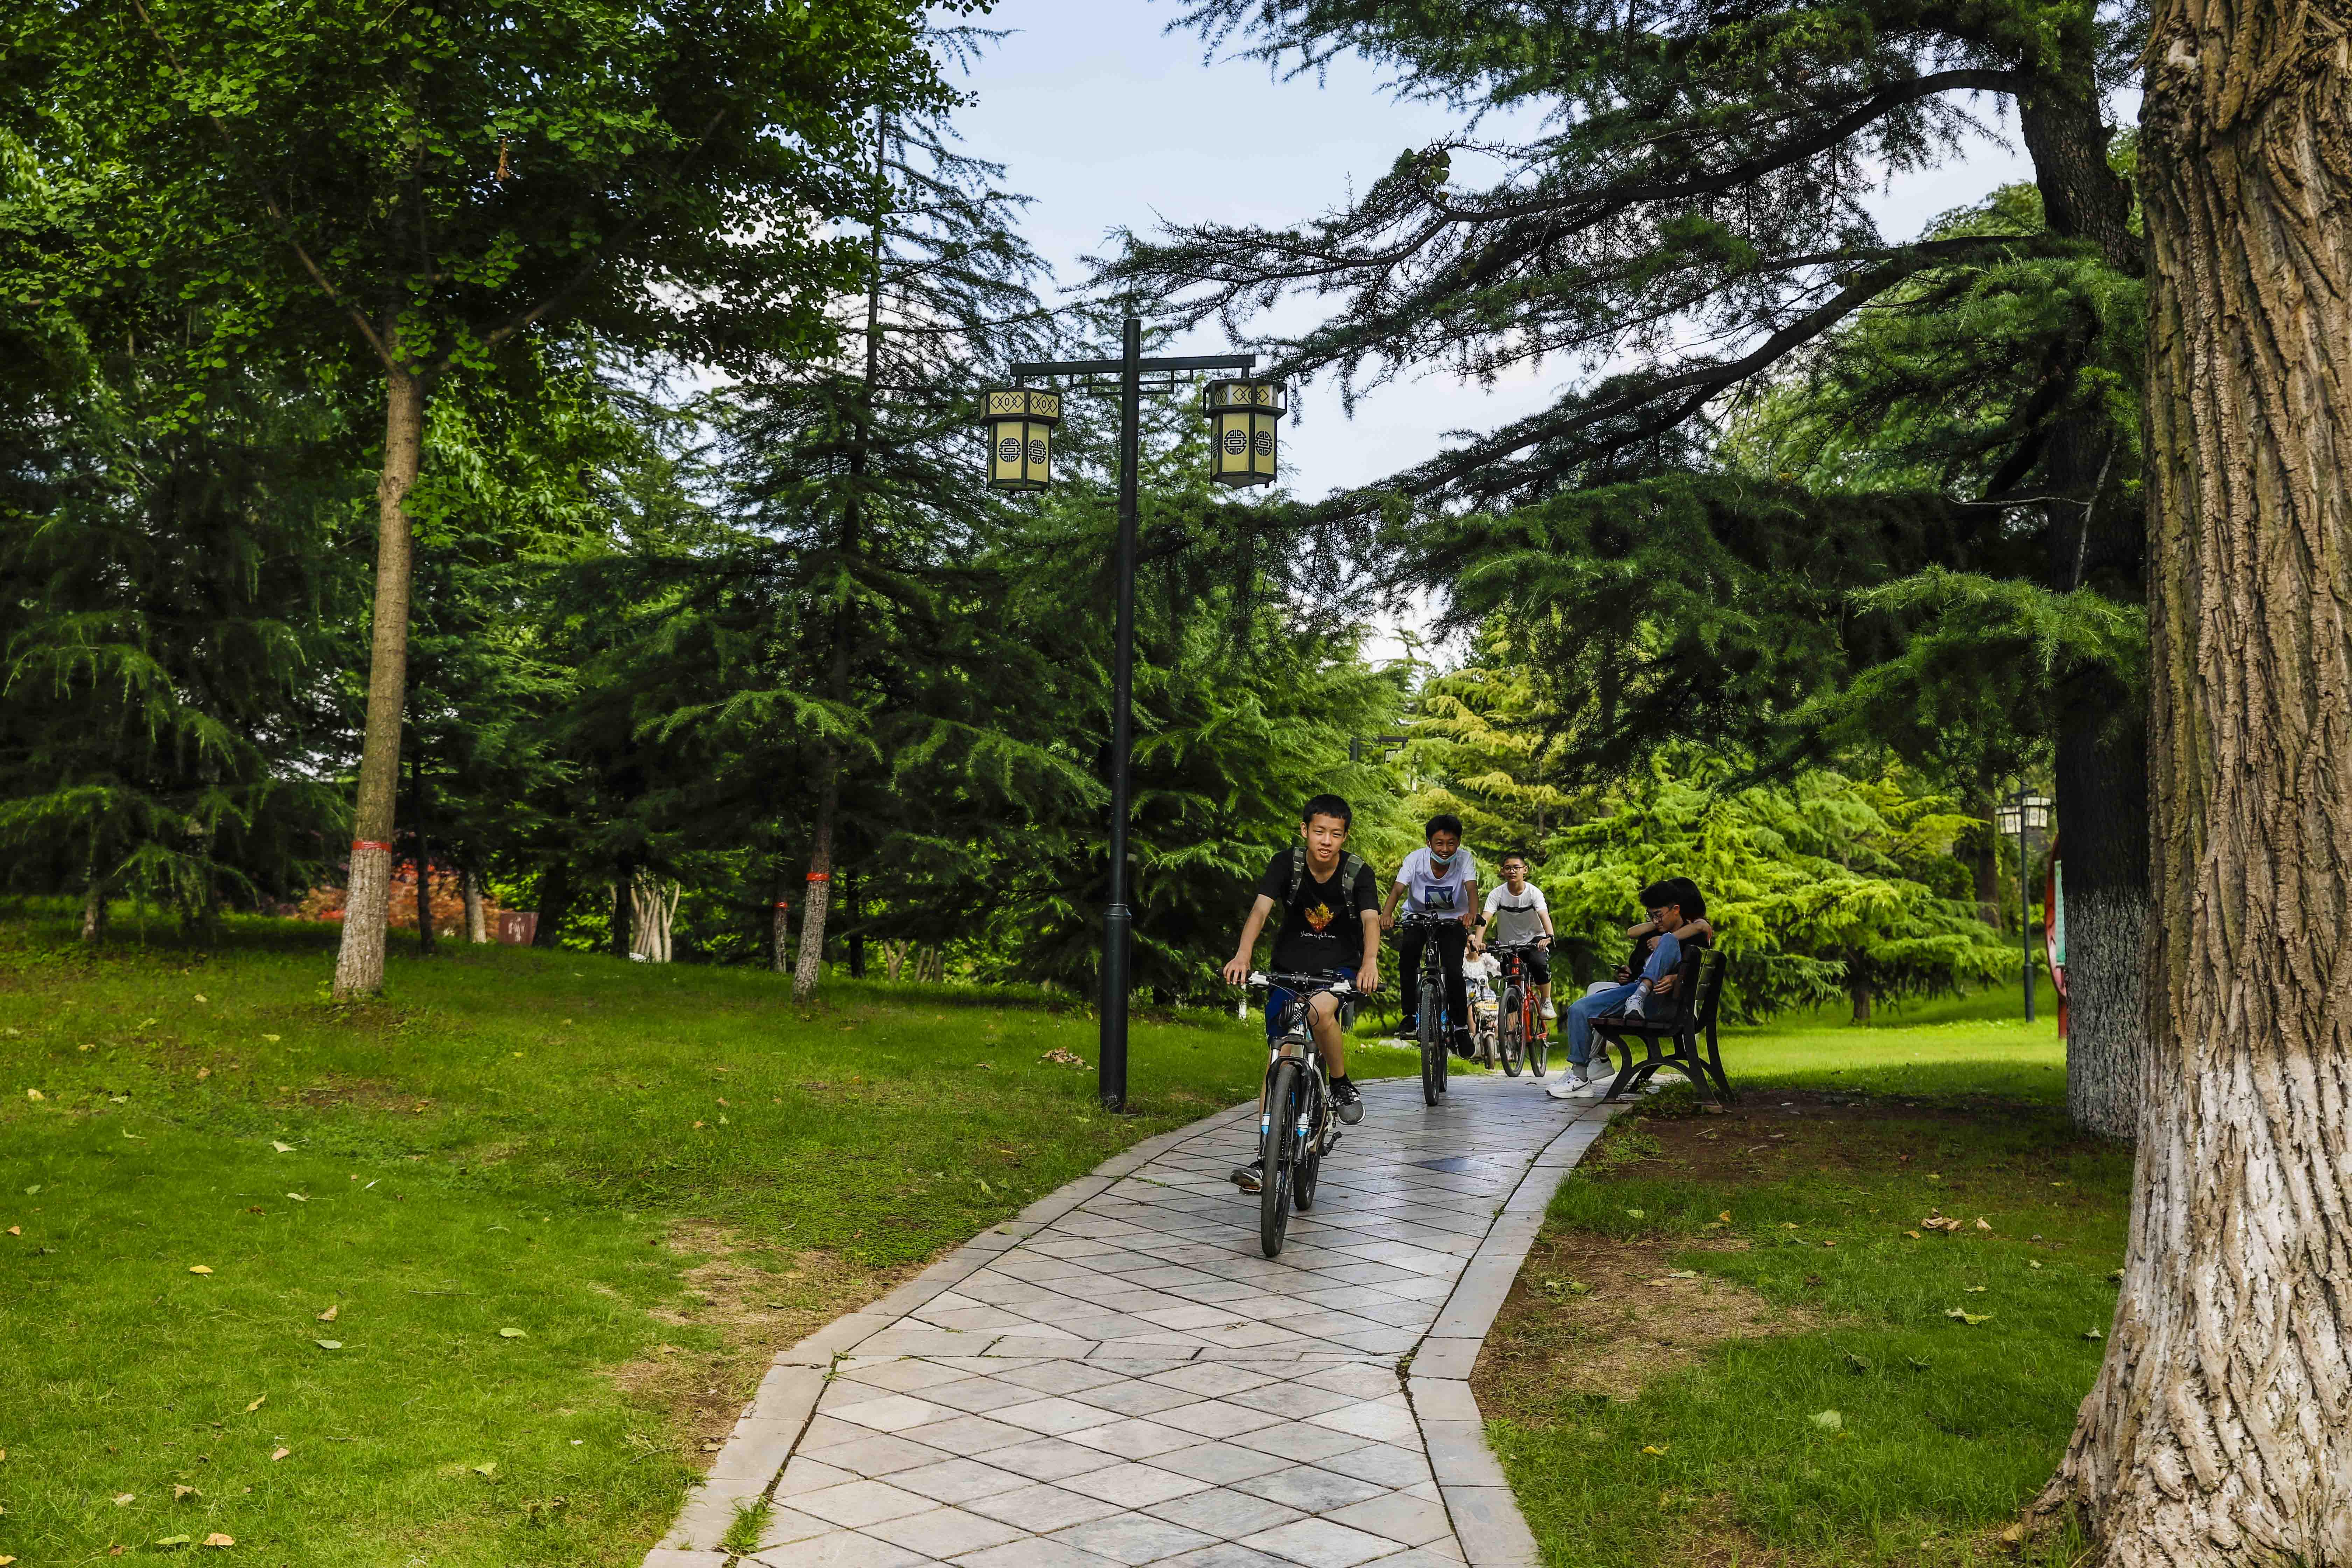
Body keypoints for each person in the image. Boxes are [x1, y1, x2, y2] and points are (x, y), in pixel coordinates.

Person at [1223, 793, 1380, 1191]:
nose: (1327, 841)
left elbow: (1370, 920)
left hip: (1338, 971)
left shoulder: (1358, 872)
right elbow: (1260, 911)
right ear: (1305, 830)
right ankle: (1265, 1158)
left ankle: (1339, 1082)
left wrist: (1369, 964)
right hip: (1287, 971)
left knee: (1321, 1012)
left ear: (1345, 837)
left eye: (1336, 834)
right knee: (1279, 1055)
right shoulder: (1285, 864)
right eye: (1319, 832)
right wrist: (1243, 955)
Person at [1547, 877, 1714, 1100]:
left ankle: (1639, 996)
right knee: (1578, 1009)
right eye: (1651, 916)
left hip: (1666, 1001)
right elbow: (1635, 943)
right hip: (1635, 993)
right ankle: (1580, 1078)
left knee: (1668, 941)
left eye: (1658, 915)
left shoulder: (1691, 935)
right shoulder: (1653, 933)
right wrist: (1629, 975)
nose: (1655, 920)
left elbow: (1697, 971)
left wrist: (1677, 978)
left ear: (1676, 909)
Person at [1380, 814, 1480, 1058]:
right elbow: (1398, 888)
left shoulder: (1465, 860)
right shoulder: (1415, 860)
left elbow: (1471, 888)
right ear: (1428, 843)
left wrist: (1472, 914)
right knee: (1408, 957)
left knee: (1453, 970)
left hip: (1454, 920)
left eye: (1451, 843)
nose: (1445, 849)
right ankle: (1410, 1015)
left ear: (1459, 843)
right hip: (1418, 917)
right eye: (1439, 843)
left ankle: (1460, 1028)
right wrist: (1387, 915)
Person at [1474, 851, 1555, 1022]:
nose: (1512, 871)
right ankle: (1511, 1032)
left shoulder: (1534, 893)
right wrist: (1478, 941)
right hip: (1509, 944)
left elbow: (1544, 915)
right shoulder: (1497, 894)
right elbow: (1485, 918)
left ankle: (1546, 1000)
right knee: (1510, 981)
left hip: (1534, 940)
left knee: (1539, 963)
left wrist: (1549, 936)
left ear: (1525, 870)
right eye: (1508, 868)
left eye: (1516, 868)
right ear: (1502, 871)